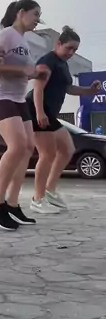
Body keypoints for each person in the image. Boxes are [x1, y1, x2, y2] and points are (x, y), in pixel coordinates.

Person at [0, 0, 46, 230]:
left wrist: (35, 74)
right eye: (35, 14)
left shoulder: (23, 41)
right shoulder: (7, 35)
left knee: (28, 148)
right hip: (0, 97)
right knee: (17, 146)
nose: (38, 19)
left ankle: (12, 203)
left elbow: (23, 71)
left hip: (18, 99)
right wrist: (22, 69)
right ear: (21, 13)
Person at [28, 26, 101, 212]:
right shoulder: (47, 61)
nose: (71, 52)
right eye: (69, 48)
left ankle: (49, 191)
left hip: (49, 113)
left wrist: (89, 91)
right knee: (47, 154)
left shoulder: (62, 64)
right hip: (37, 109)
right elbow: (38, 88)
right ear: (58, 43)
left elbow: (69, 88)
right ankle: (38, 199)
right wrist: (39, 113)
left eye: (75, 50)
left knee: (67, 149)